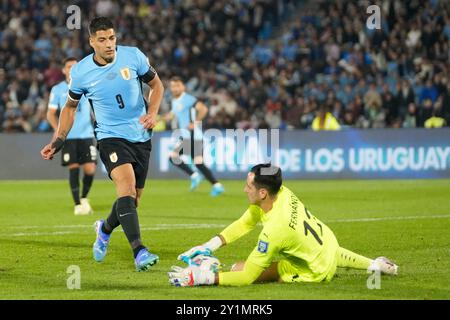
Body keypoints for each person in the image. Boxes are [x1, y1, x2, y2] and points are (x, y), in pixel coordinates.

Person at [40, 17, 164, 272]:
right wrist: (59, 139)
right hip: (110, 137)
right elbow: (70, 108)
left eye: (112, 38)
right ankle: (139, 251)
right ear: (91, 41)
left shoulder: (133, 56)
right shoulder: (82, 72)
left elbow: (157, 85)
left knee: (133, 200)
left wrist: (153, 112)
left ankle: (104, 229)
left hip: (140, 135)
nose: (109, 45)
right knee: (126, 189)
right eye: (103, 40)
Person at [169, 163, 398, 286]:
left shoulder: (274, 231)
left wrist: (202, 278)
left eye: (248, 186)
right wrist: (211, 244)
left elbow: (247, 276)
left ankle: (205, 273)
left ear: (262, 192)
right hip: (328, 243)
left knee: (238, 268)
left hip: (314, 271)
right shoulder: (282, 192)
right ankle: (374, 264)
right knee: (325, 251)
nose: (244, 189)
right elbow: (247, 221)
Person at [47, 57, 97, 215]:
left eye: (75, 66)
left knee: (90, 169)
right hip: (69, 137)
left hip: (87, 134)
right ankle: (77, 204)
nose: (72, 69)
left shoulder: (88, 86)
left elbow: (95, 110)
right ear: (64, 70)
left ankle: (84, 198)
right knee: (73, 168)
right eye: (69, 66)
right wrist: (59, 130)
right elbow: (50, 114)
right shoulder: (57, 89)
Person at [164, 76, 224, 196]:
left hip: (191, 135)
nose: (175, 89)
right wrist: (162, 117)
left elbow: (203, 109)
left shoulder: (188, 99)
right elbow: (173, 114)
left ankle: (195, 176)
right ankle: (217, 185)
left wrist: (195, 122)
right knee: (198, 162)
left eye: (177, 86)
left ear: (183, 87)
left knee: (173, 157)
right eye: (173, 86)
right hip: (191, 136)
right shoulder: (175, 101)